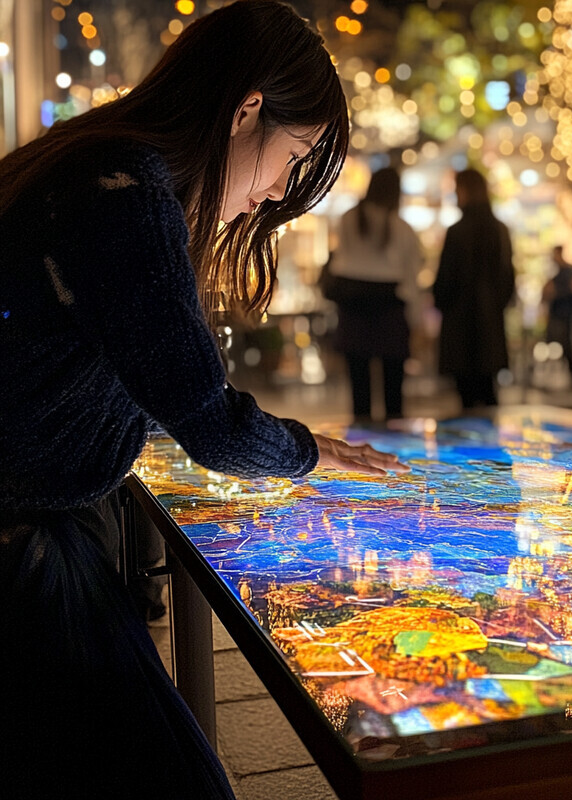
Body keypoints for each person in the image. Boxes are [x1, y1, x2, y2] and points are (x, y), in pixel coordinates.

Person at [0, 3, 407, 798]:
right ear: (247, 108)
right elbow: (204, 417)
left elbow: (150, 382)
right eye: (290, 159)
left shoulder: (98, 165)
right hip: (26, 549)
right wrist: (310, 451)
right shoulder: (123, 189)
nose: (273, 193)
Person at [322, 167, 422, 422]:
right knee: (394, 395)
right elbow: (411, 281)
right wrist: (418, 321)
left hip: (353, 306)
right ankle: (395, 453)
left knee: (359, 392)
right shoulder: (402, 228)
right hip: (391, 308)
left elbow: (339, 262)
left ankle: (360, 451)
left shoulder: (348, 219)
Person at [433, 169, 516, 410]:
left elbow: (445, 280)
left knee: (465, 397)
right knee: (488, 393)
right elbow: (508, 279)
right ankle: (491, 445)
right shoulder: (499, 230)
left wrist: (443, 303)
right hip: (489, 323)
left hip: (459, 324)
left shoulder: (457, 231)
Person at [542, 245, 572, 388]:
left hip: (566, 315)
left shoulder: (568, 271)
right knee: (553, 344)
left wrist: (555, 291)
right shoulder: (556, 273)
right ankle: (551, 378)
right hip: (557, 314)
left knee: (567, 346)